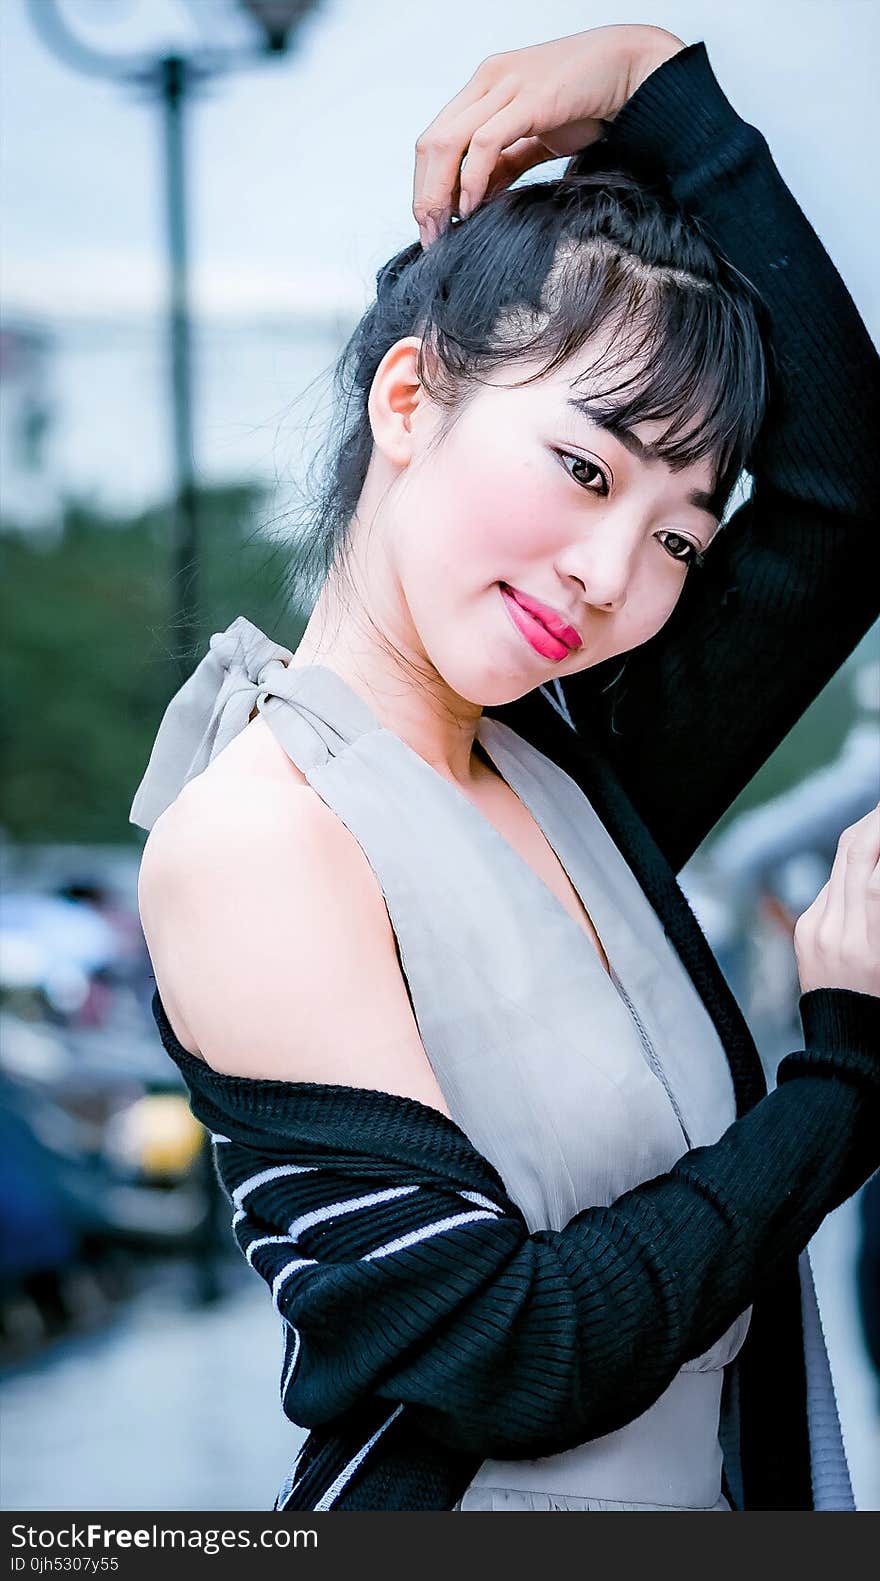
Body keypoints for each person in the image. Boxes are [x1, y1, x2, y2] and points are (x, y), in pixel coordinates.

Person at [129, 26, 880, 1510]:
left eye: (680, 534)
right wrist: (846, 1073)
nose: (613, 573)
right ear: (408, 401)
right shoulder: (262, 836)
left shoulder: (561, 771)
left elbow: (845, 498)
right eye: (588, 466)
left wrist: (653, 82)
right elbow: (504, 1344)